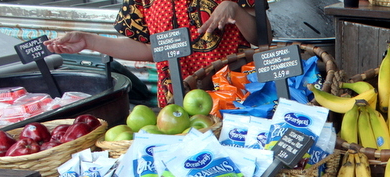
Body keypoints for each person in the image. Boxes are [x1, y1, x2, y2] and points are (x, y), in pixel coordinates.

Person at [44, 0, 272, 108]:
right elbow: (149, 49)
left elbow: (263, 38)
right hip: (176, 104)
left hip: (237, 99)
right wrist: (89, 40)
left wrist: (235, 10)